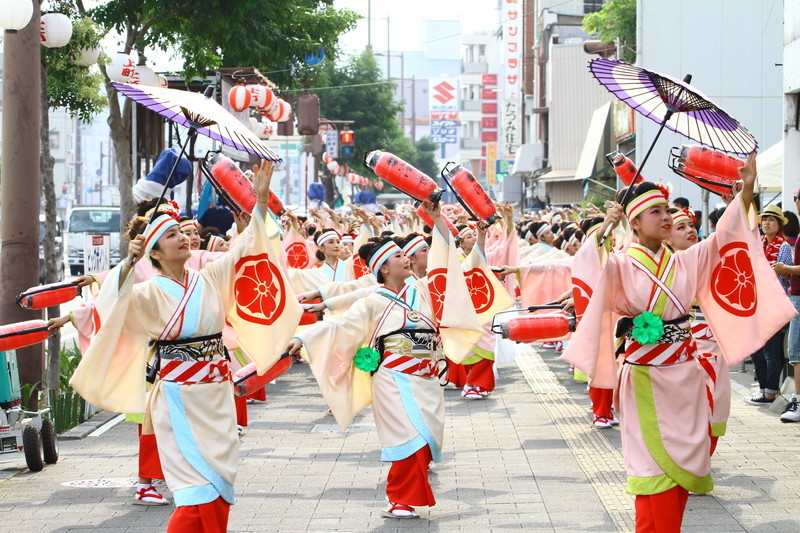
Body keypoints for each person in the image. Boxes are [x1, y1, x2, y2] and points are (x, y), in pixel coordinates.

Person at [562, 153, 796, 533]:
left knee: (686, 463)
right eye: (655, 212)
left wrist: (747, 192)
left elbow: (727, 239)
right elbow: (590, 265)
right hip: (645, 377)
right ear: (633, 222)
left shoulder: (685, 261)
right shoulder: (621, 262)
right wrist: (605, 229)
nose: (667, 217)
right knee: (652, 466)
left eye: (668, 210)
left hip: (685, 375)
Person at [67, 161, 299, 532]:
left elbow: (245, 254)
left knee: (221, 483)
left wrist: (259, 201)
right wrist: (128, 263)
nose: (184, 238)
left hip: (217, 393)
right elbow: (111, 308)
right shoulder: (146, 291)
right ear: (154, 253)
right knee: (196, 489)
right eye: (173, 235)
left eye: (182, 232)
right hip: (178, 396)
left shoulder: (209, 277)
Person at [286, 201, 482, 519]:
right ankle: (399, 499)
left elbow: (447, 261)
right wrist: (304, 338)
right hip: (393, 378)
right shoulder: (374, 300)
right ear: (384, 269)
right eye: (398, 257)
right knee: (408, 436)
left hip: (426, 376)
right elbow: (342, 326)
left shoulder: (423, 289)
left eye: (406, 254)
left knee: (425, 437)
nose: (406, 259)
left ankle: (405, 497)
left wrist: (437, 219)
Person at [744, 204, 791, 405]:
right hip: (757, 303)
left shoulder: (784, 247)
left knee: (770, 350)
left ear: (779, 224)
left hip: (774, 304)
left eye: (772, 220)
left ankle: (770, 393)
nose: (766, 223)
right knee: (757, 349)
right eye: (764, 219)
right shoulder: (760, 245)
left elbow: (784, 279)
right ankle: (765, 389)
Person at [772, 191, 800, 421]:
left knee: (796, 351)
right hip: (794, 296)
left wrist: (787, 270)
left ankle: (798, 401)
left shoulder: (785, 245)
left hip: (796, 296)